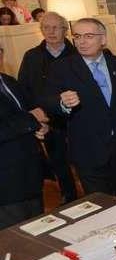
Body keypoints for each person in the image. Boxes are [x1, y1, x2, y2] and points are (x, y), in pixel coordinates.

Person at [43, 18, 116, 200]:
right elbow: (47, 101)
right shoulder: (62, 68)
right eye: (77, 36)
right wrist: (62, 102)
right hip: (88, 152)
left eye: (88, 36)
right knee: (101, 206)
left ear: (103, 39)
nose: (81, 41)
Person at [17, 11, 78, 203]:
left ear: (65, 30)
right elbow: (24, 88)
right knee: (58, 159)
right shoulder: (32, 56)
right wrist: (34, 115)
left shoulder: (78, 53)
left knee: (83, 157)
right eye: (46, 27)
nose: (51, 32)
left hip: (77, 115)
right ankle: (69, 195)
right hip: (47, 118)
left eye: (55, 27)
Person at [0, 70, 47, 228]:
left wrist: (41, 127)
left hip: (31, 174)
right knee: (17, 241)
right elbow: (28, 117)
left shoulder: (9, 81)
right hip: (6, 185)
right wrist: (31, 120)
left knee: (40, 233)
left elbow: (29, 111)